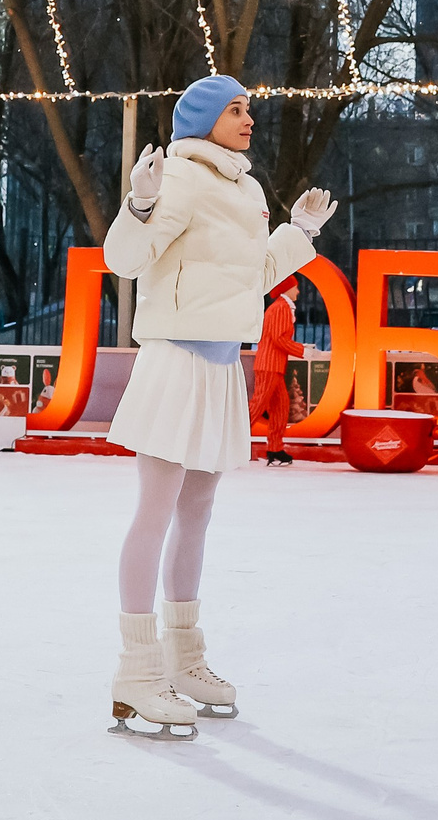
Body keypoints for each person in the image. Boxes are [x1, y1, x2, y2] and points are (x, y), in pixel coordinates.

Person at [101, 75, 336, 738]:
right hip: (174, 358)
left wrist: (299, 231)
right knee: (155, 510)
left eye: (249, 108)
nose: (249, 117)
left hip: (218, 362)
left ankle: (184, 655)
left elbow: (251, 277)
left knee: (198, 511)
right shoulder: (177, 176)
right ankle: (136, 667)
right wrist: (140, 204)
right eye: (236, 108)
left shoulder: (248, 188)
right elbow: (126, 259)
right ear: (203, 117)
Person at [251, 278, 306, 467]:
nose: (298, 292)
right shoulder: (281, 308)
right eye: (296, 288)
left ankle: (275, 448)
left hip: (274, 365)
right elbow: (278, 339)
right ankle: (227, 441)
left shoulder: (282, 307)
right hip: (269, 365)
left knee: (281, 408)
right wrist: (302, 350)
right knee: (258, 406)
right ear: (287, 289)